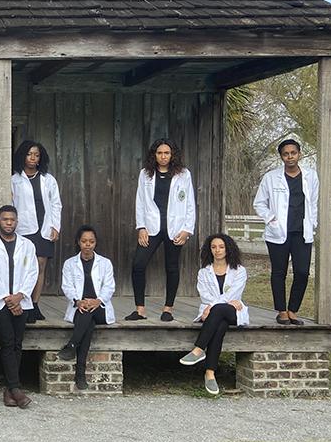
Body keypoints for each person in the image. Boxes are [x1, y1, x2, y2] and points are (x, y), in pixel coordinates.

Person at [126, 138, 195, 322]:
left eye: (167, 153)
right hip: (151, 227)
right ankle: (140, 310)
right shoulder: (146, 174)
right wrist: (141, 227)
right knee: (138, 264)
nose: (163, 156)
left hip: (175, 228)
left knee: (172, 267)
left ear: (172, 155)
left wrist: (187, 230)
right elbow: (140, 202)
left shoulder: (183, 174)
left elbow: (190, 204)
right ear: (154, 155)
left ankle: (168, 309)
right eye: (159, 153)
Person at [253, 138, 318, 325]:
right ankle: (281, 310)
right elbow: (259, 203)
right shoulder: (271, 177)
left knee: (302, 272)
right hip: (278, 232)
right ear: (281, 156)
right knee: (279, 272)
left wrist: (313, 223)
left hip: (302, 232)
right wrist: (271, 218)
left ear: (299, 154)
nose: (290, 157)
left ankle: (293, 310)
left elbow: (313, 202)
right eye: (286, 154)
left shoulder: (310, 176)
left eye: (293, 153)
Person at [0, 205, 38, 408]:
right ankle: (17, 388)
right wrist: (8, 299)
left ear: (17, 221)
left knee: (17, 344)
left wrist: (19, 296)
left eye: (12, 220)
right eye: (5, 219)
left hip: (22, 301)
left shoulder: (28, 245)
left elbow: (32, 272)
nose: (9, 223)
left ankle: (9, 389)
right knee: (7, 341)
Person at [179, 234, 249, 395]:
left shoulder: (239, 270)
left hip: (233, 312)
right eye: (214, 247)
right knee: (220, 325)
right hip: (218, 313)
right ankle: (210, 373)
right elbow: (205, 295)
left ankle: (198, 349)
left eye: (221, 247)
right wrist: (215, 305)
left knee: (219, 311)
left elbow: (234, 294)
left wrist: (211, 307)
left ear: (228, 248)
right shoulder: (204, 272)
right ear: (209, 250)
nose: (217, 250)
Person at [58, 225, 117, 391]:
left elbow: (109, 287)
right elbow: (66, 287)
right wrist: (78, 301)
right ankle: (80, 375)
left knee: (89, 315)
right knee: (87, 324)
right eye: (84, 241)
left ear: (95, 243)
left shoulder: (105, 263)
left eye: (91, 241)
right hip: (80, 307)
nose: (88, 245)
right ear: (79, 242)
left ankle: (71, 346)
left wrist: (98, 301)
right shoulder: (70, 264)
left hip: (100, 307)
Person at [11, 140, 62, 322]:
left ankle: (35, 304)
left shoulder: (48, 179)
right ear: (23, 156)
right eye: (29, 154)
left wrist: (55, 226)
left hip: (44, 227)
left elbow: (56, 204)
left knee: (41, 265)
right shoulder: (14, 180)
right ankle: (22, 304)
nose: (33, 158)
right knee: (25, 267)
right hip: (24, 228)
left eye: (36, 155)